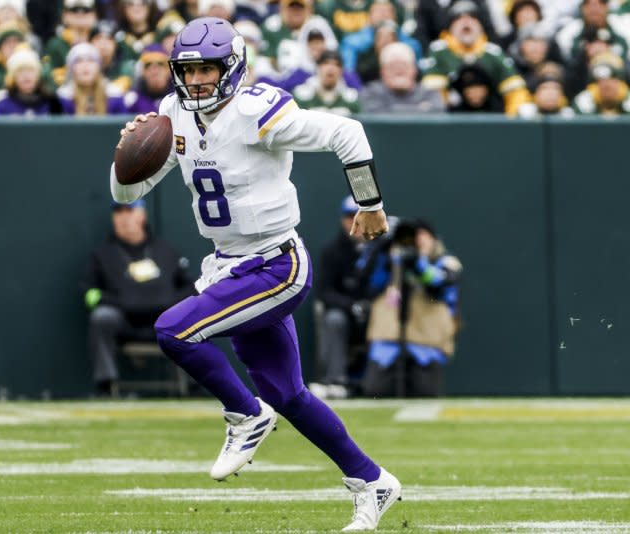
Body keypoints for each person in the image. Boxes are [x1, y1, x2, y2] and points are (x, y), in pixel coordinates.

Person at [112, 16, 401, 531]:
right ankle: (371, 480)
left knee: (173, 330)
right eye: (189, 69)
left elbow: (347, 131)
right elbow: (128, 194)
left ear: (233, 67)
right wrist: (123, 158)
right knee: (289, 393)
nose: (197, 79)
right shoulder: (172, 113)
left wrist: (370, 203)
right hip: (227, 265)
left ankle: (245, 414)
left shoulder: (257, 111)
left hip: (275, 263)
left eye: (208, 68)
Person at [81, 199, 194, 397]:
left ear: (142, 215)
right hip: (125, 321)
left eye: (129, 211)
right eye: (118, 212)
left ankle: (195, 384)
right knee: (102, 317)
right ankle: (106, 384)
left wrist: (169, 302)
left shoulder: (166, 251)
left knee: (191, 316)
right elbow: (89, 292)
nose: (124, 217)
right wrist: (120, 302)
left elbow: (190, 288)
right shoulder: (102, 254)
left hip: (164, 321)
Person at [359, 218, 462, 397]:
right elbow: (366, 283)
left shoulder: (446, 261)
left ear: (434, 240)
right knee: (376, 390)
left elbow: (440, 283)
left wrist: (418, 265)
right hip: (387, 343)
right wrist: (381, 250)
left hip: (426, 345)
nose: (417, 241)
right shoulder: (391, 261)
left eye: (423, 236)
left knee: (424, 393)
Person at [309, 195, 375, 400]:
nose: (354, 222)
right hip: (346, 314)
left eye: (359, 216)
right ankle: (336, 380)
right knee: (334, 319)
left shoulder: (379, 248)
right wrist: (352, 306)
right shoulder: (332, 251)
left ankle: (381, 383)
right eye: (349, 217)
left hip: (377, 313)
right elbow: (325, 292)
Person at [419, 0, 531, 116]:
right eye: (458, 19)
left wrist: (510, 122)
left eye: (472, 18)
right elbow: (433, 96)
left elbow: (516, 92)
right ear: (450, 26)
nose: (466, 22)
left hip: (491, 119)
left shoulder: (493, 53)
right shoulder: (439, 52)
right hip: (452, 122)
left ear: (481, 25)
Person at [360, 41, 445, 114]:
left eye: (404, 65)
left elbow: (438, 114)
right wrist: (420, 109)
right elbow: (371, 114)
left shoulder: (430, 94)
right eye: (392, 65)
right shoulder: (370, 93)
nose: (399, 69)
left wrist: (389, 109)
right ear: (383, 72)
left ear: (414, 70)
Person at [292, 49, 360, 116]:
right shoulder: (302, 95)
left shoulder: (350, 98)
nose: (331, 68)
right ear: (318, 67)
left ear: (341, 70)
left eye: (336, 64)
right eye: (326, 63)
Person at [57, 42, 107, 115]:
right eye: (79, 61)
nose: (85, 65)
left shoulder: (113, 96)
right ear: (71, 69)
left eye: (91, 60)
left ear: (98, 67)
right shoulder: (61, 99)